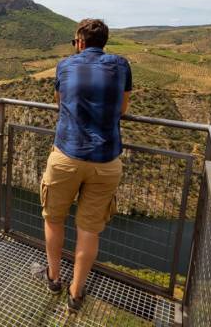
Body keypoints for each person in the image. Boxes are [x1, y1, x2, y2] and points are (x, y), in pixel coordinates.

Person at [31, 18, 132, 313]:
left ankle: (53, 278)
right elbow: (123, 108)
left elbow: (59, 100)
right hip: (106, 162)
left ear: (79, 42)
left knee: (53, 219)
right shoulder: (121, 64)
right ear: (104, 42)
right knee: (89, 230)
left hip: (66, 156)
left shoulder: (66, 65)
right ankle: (76, 294)